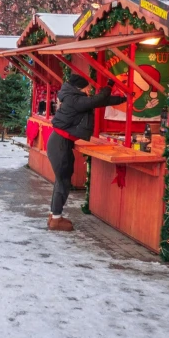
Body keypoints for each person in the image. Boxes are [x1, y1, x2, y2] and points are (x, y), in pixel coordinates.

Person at [47, 74, 126, 231]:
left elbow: (97, 102)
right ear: (80, 88)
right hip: (60, 144)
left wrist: (122, 100)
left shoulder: (73, 97)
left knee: (61, 180)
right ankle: (56, 219)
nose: (89, 89)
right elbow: (96, 100)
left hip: (60, 142)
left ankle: (53, 216)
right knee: (63, 181)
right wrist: (109, 85)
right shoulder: (74, 100)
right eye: (87, 87)